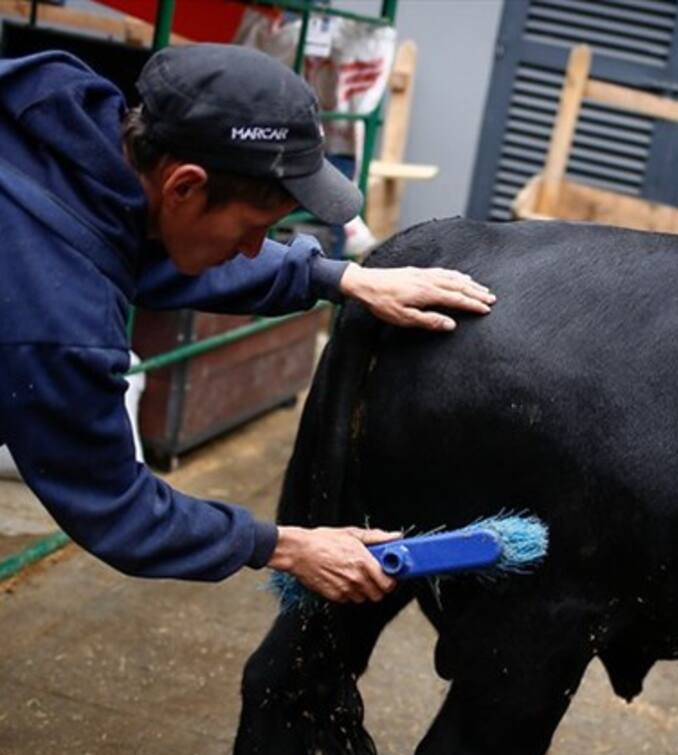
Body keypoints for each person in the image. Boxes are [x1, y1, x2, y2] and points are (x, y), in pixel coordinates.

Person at [0, 43, 495, 604]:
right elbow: (115, 507)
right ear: (185, 185)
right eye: (255, 227)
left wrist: (339, 279)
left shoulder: (59, 137)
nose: (254, 247)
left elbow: (142, 249)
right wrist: (283, 546)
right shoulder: (58, 315)